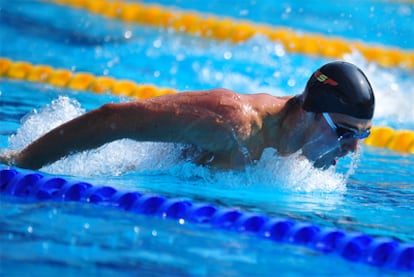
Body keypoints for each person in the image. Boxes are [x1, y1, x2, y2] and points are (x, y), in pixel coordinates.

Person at [0, 61, 374, 170]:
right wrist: (22, 162)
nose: (351, 149)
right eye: (344, 133)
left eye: (362, 136)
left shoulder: (299, 146)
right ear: (309, 113)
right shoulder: (233, 124)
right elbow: (111, 119)